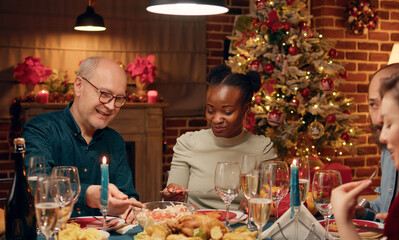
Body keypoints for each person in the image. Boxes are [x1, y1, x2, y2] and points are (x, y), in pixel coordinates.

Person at [23, 56, 142, 222]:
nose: (110, 106)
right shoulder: (40, 129)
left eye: (119, 99)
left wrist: (128, 207)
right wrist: (88, 195)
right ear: (79, 86)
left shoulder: (115, 141)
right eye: (105, 94)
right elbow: (37, 185)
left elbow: (127, 195)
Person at [162, 64, 277, 210]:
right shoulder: (188, 143)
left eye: (227, 112)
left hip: (242, 228)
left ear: (246, 109)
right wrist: (172, 193)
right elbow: (174, 197)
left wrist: (255, 204)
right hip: (196, 226)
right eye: (210, 110)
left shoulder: (262, 148)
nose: (216, 119)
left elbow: (271, 199)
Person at [331, 64, 399, 239]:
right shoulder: (392, 152)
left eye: (390, 123)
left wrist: (343, 221)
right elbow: (386, 209)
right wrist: (363, 213)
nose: (382, 136)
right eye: (373, 104)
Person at [355, 63, 399, 221]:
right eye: (373, 105)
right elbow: (387, 206)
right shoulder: (388, 149)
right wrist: (362, 212)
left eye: (388, 104)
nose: (379, 118)